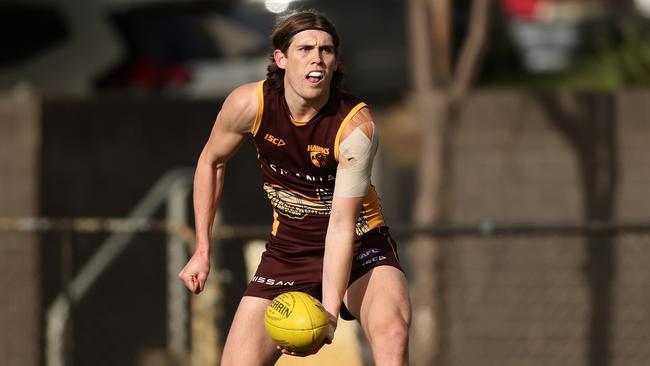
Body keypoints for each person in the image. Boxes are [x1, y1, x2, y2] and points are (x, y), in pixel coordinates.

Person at [179, 10, 411, 366]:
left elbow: (341, 225)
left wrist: (329, 314)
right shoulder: (249, 104)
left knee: (392, 334)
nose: (317, 57)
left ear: (335, 64)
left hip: (362, 245)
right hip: (289, 252)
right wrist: (202, 249)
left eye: (326, 50)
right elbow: (212, 162)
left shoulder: (353, 127)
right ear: (281, 58)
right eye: (304, 49)